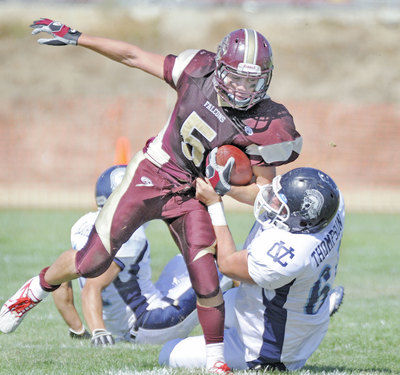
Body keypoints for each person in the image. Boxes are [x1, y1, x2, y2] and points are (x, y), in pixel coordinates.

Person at [0, 20, 302, 373]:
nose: (242, 88)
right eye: (236, 77)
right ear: (219, 66)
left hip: (192, 191)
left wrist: (225, 187)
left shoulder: (271, 123)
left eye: (252, 81)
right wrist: (79, 39)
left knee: (207, 278)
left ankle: (216, 361)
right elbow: (132, 55)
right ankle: (33, 290)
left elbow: (263, 195)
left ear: (265, 79)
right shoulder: (196, 70)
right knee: (91, 263)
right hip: (152, 172)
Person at [159, 167, 345, 372]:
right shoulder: (329, 209)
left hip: (267, 345)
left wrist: (214, 204)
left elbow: (228, 263)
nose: (272, 201)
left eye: (280, 204)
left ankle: (266, 361)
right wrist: (223, 186)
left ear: (301, 219)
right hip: (287, 312)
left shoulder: (287, 255)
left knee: (168, 353)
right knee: (206, 306)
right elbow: (268, 196)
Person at [52, 165, 219, 346]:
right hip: (151, 322)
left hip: (121, 326)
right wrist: (98, 332)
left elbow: (59, 280)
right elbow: (93, 286)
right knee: (219, 266)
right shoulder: (127, 231)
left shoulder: (81, 225)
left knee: (182, 261)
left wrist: (78, 329)